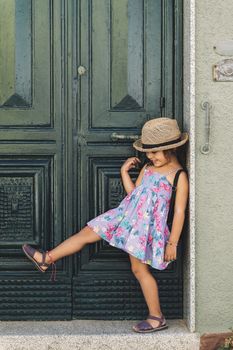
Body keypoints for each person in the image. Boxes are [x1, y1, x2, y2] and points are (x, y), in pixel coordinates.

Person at [22, 117, 189, 333]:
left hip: (142, 229)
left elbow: (179, 212)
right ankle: (47, 259)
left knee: (139, 270)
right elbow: (134, 195)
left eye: (154, 152)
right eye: (148, 152)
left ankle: (157, 317)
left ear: (170, 149)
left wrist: (172, 243)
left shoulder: (178, 176)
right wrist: (123, 173)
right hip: (123, 215)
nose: (149, 156)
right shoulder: (148, 168)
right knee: (86, 232)